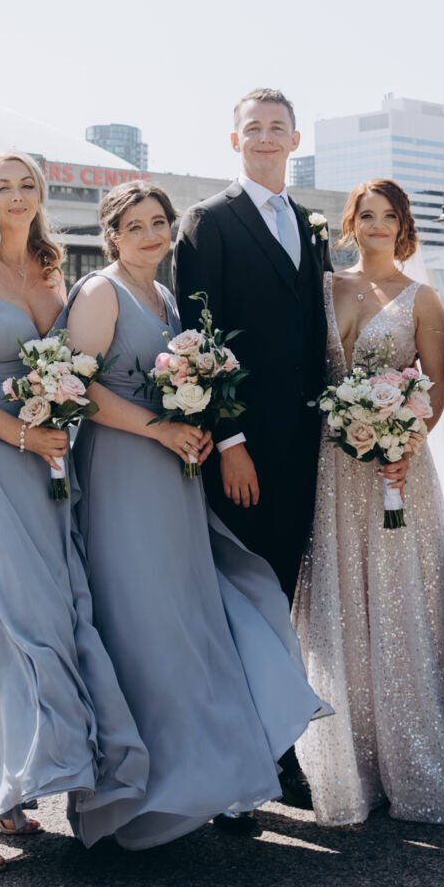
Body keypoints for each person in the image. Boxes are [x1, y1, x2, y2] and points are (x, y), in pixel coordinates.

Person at [65, 183, 325, 850]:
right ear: (112, 235)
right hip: (122, 470)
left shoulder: (169, 299)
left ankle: (205, 778)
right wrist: (160, 428)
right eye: (135, 226)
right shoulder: (100, 293)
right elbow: (77, 387)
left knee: (191, 618)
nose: (151, 235)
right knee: (140, 620)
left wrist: (198, 424)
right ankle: (136, 793)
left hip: (177, 474)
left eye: (159, 222)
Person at [0, 149, 146, 874]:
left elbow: (77, 368)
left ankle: (15, 781)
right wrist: (17, 432)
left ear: (41, 195)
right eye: (0, 185)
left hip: (44, 458)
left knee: (50, 615)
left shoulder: (53, 271)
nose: (15, 196)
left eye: (26, 185)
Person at [173, 88, 331, 809]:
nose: (266, 137)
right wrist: (230, 441)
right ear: (234, 140)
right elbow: (199, 339)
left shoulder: (309, 224)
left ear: (295, 140)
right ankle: (241, 769)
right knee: (239, 598)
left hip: (304, 445)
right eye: (253, 128)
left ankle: (276, 750)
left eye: (278, 127)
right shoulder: (207, 223)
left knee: (282, 596)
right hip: (241, 450)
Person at [295, 180, 444, 829]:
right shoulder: (322, 288)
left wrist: (407, 443)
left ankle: (412, 754)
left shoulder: (422, 298)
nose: (376, 225)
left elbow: (434, 386)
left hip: (394, 468)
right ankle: (348, 766)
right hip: (329, 467)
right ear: (351, 223)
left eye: (388, 216)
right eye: (366, 215)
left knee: (395, 599)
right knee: (338, 600)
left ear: (403, 226)